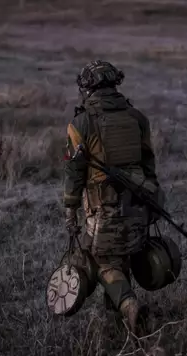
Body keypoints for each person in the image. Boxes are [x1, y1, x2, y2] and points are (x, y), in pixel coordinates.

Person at [63, 60, 162, 336]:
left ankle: (130, 307)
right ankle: (118, 325)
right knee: (124, 255)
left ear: (87, 87)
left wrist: (70, 208)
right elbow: (148, 165)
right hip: (140, 202)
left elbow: (74, 171)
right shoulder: (137, 117)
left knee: (103, 260)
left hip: (103, 207)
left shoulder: (81, 122)